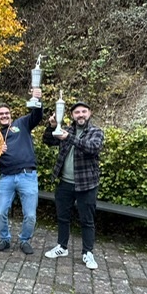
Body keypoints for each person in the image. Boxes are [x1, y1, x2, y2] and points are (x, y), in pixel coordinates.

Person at [42, 101, 104, 270]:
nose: (81, 115)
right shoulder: (66, 129)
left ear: (89, 113)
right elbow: (48, 141)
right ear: (72, 116)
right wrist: (52, 126)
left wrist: (69, 138)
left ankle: (87, 253)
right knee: (62, 217)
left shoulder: (95, 131)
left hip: (87, 185)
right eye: (77, 112)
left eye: (84, 111)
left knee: (87, 220)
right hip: (65, 183)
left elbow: (92, 147)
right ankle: (62, 247)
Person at [0, 91, 43, 255]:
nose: (4, 116)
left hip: (27, 176)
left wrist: (37, 98)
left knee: (30, 215)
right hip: (6, 177)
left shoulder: (22, 123)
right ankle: (4, 239)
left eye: (6, 113)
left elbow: (37, 115)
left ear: (11, 115)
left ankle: (25, 240)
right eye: (1, 114)